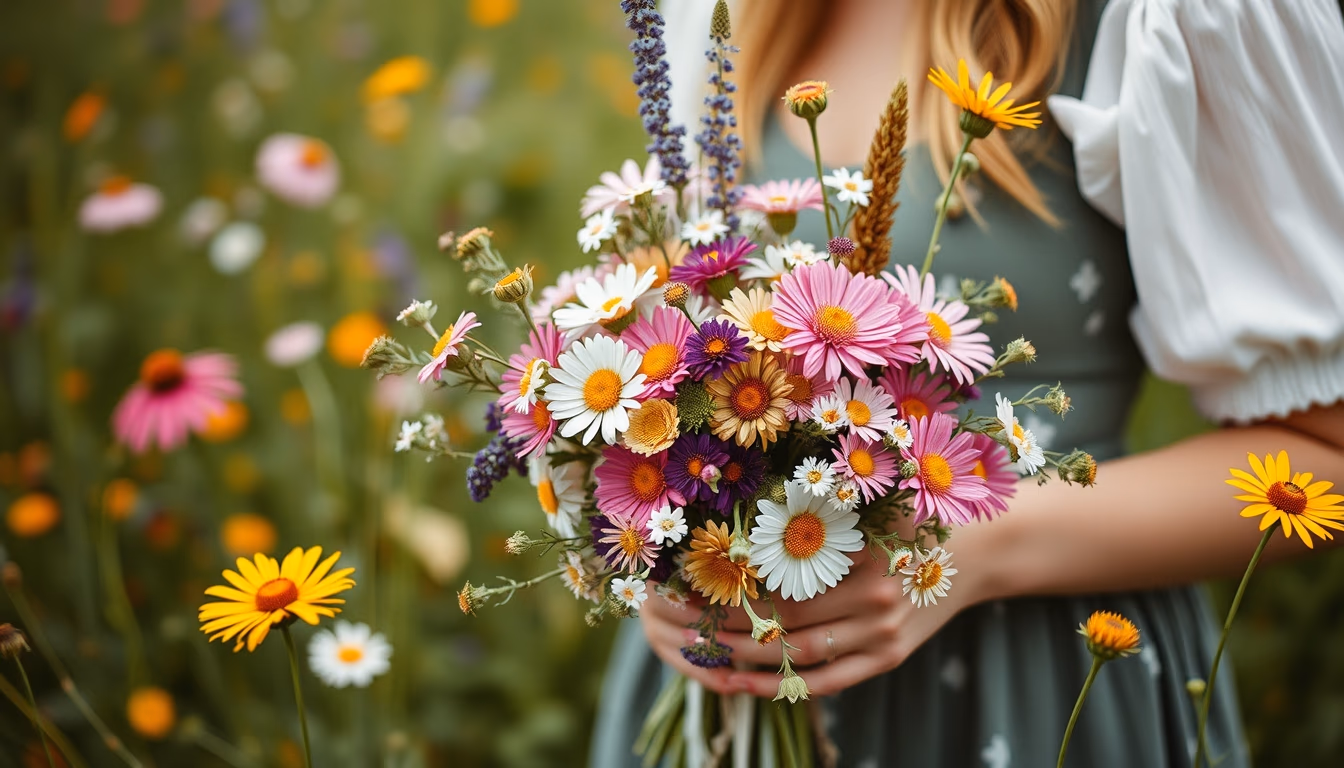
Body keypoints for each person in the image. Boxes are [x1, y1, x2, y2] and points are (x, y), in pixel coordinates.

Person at [591, 0, 1344, 765]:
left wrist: (971, 552)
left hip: (1034, 686)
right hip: (717, 709)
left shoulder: (1171, 20)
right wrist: (654, 544)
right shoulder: (715, 18)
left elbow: (1327, 453)